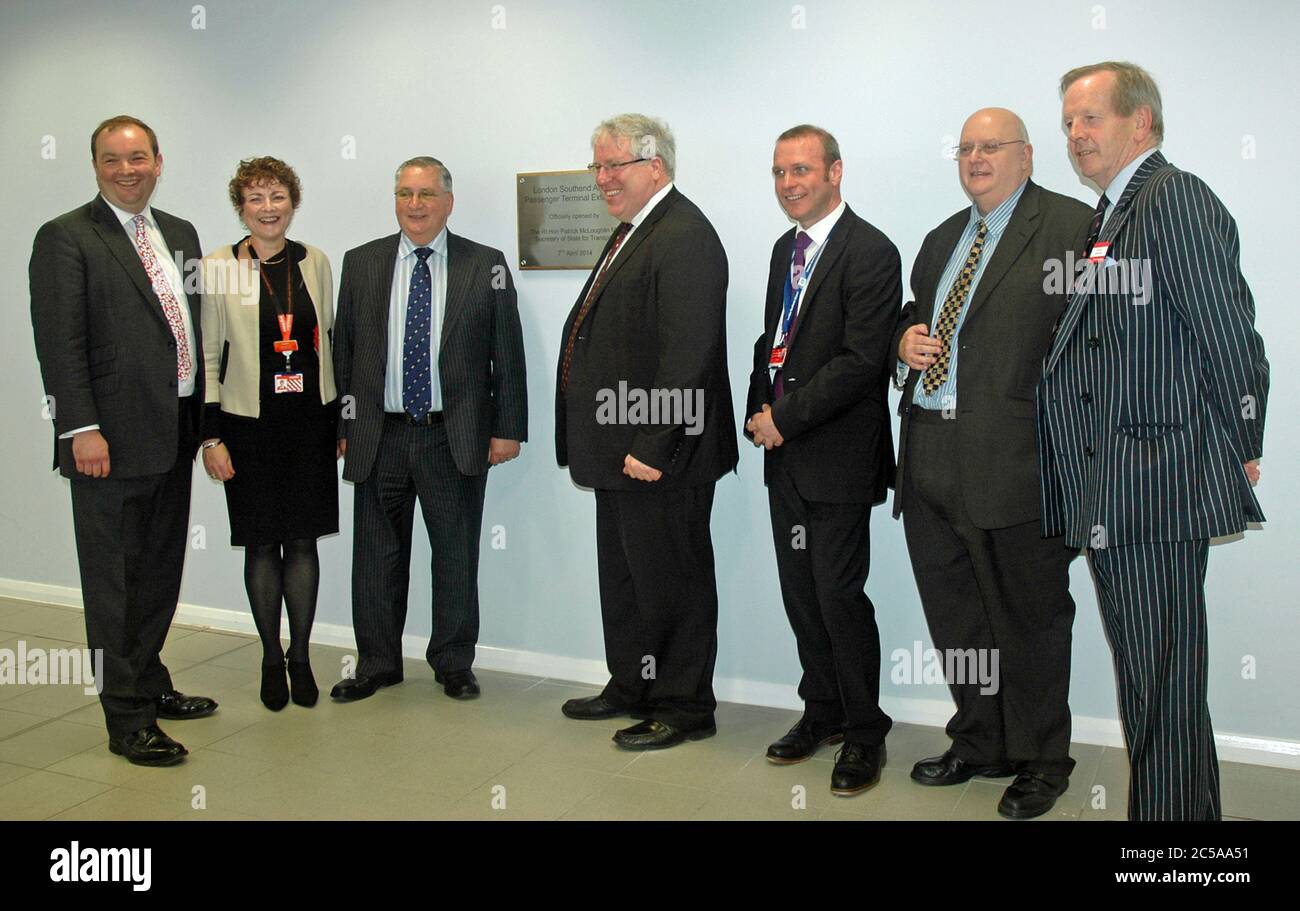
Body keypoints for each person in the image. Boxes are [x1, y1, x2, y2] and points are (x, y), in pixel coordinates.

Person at [1040, 62, 1269, 820]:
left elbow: (1230, 336)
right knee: (1150, 681)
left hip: (1154, 486)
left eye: (1091, 118)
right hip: (1118, 490)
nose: (1075, 135)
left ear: (1140, 123)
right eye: (1068, 121)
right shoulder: (1112, 216)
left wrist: (1241, 440)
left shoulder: (1172, 199)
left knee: (1162, 683)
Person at [893, 109, 1091, 818]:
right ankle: (981, 741)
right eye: (967, 148)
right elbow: (916, 314)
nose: (976, 157)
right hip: (929, 453)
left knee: (1029, 619)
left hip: (1019, 463)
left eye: (991, 146)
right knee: (958, 618)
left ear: (1027, 156)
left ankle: (1043, 758)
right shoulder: (943, 237)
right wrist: (905, 340)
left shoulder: (1071, 228)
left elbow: (1096, 350)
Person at [29, 115, 217, 767]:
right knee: (115, 583)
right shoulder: (65, 237)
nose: (126, 169)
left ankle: (150, 679)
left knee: (159, 571)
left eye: (137, 157)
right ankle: (127, 717)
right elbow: (60, 342)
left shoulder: (182, 234)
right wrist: (79, 428)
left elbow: (193, 328)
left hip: (174, 433)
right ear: (95, 167)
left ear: (158, 161)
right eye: (112, 159)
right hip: (105, 442)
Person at [555, 114, 737, 750]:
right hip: (618, 452)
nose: (603, 178)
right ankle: (632, 683)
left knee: (673, 585)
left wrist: (654, 445)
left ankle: (685, 706)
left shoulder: (684, 234)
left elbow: (688, 352)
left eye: (615, 166)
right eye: (597, 166)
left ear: (655, 166)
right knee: (627, 579)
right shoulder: (635, 231)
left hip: (662, 456)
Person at [331, 156, 527, 702]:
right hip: (379, 434)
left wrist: (508, 428)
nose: (414, 205)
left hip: (453, 436)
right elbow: (343, 351)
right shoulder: (362, 262)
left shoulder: (484, 263)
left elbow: (506, 355)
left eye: (425, 194)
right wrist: (343, 426)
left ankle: (453, 662)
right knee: (375, 558)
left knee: (456, 554)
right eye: (404, 194)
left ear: (448, 201)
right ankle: (376, 663)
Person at [743, 125, 899, 794]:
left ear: (837, 171)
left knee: (838, 597)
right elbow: (776, 342)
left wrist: (784, 417)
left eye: (802, 169)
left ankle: (865, 732)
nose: (789, 183)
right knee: (801, 596)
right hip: (785, 456)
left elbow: (862, 362)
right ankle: (822, 710)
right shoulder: (787, 248)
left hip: (837, 457)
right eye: (780, 171)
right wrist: (758, 410)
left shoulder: (871, 251)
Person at [199, 157, 339, 711]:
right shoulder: (217, 266)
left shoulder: (317, 261)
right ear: (241, 207)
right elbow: (209, 356)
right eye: (255, 198)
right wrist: (210, 438)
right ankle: (268, 655)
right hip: (245, 424)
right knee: (261, 542)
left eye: (277, 196)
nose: (268, 208)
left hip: (309, 421)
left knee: (302, 539)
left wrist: (342, 421)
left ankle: (300, 656)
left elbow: (329, 341)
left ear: (292, 202)